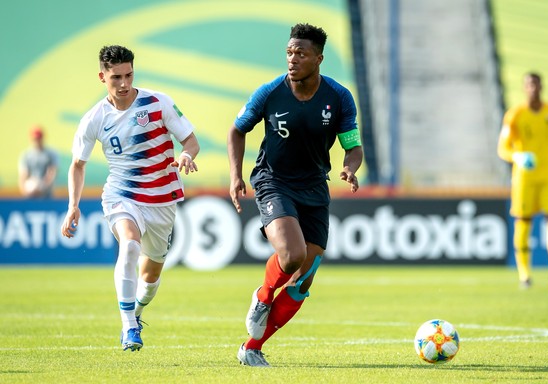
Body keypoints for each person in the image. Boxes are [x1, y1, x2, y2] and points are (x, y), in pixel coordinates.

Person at [227, 23, 363, 367]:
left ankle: (252, 348)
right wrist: (235, 176)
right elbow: (237, 130)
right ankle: (262, 296)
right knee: (291, 256)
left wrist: (350, 167)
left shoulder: (339, 97)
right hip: (274, 181)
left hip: (315, 186)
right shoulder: (270, 93)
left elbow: (353, 146)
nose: (292, 59)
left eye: (301, 53)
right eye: (289, 52)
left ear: (318, 58)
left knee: (303, 278)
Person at [60, 45, 200, 351]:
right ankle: (128, 327)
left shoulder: (158, 102)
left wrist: (187, 154)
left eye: (128, 75)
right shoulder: (93, 119)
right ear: (102, 77)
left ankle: (136, 313)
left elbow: (190, 140)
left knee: (149, 278)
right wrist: (73, 206)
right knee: (130, 244)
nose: (123, 83)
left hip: (163, 199)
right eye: (116, 78)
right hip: (122, 195)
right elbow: (77, 165)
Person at [497, 72, 548, 290]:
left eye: (536, 84)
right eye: (529, 84)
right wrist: (517, 156)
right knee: (523, 223)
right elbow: (502, 148)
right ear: (524, 88)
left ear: (541, 86)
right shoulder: (514, 115)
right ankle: (524, 275)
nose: (532, 88)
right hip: (524, 178)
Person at [18, 125, 59, 198]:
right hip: (30, 192)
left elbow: (52, 172)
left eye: (39, 138)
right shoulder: (26, 155)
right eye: (35, 139)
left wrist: (43, 187)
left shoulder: (50, 154)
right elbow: (23, 175)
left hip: (46, 194)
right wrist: (25, 190)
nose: (37, 141)